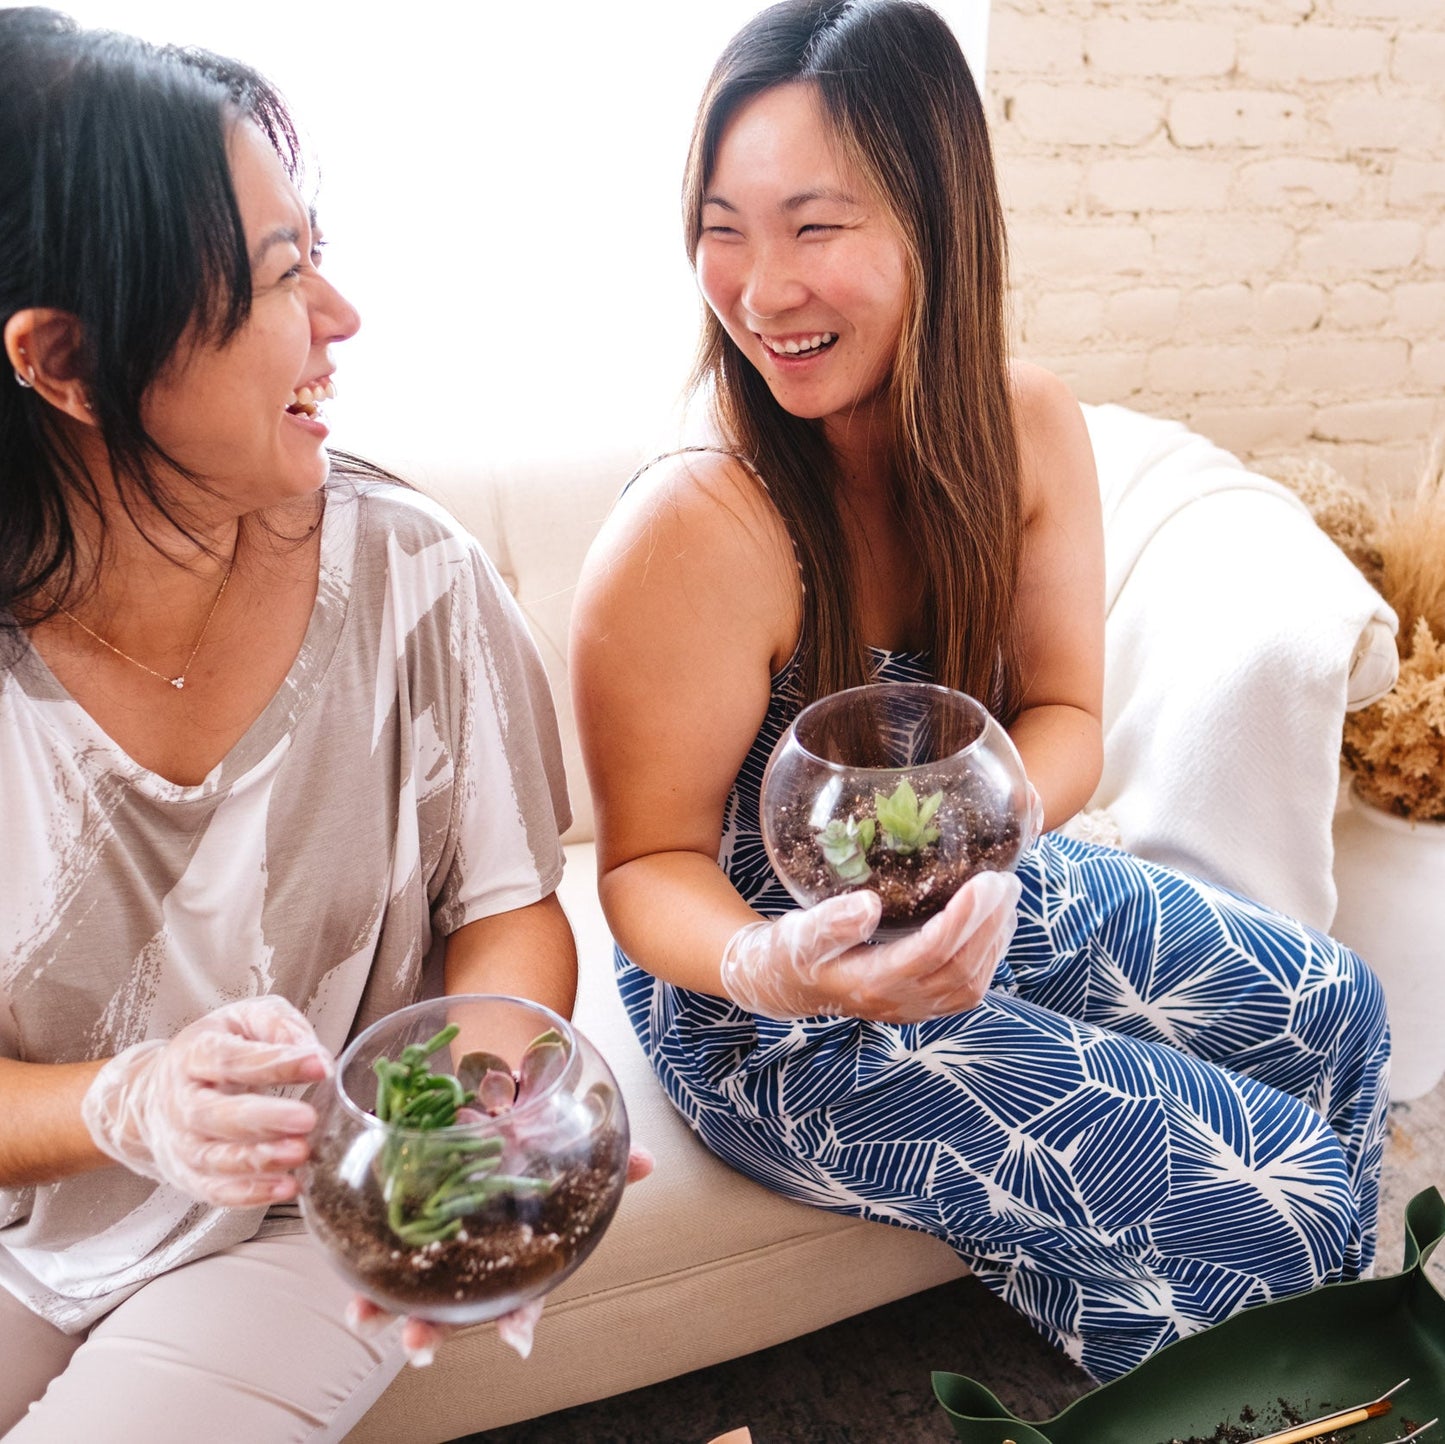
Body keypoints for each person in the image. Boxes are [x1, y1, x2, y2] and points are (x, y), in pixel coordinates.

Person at [570, 0, 1390, 1384]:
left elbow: (1065, 715)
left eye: (813, 227)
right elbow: (644, 863)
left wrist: (978, 837)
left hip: (975, 875)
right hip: (768, 1008)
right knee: (1287, 1193)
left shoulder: (1023, 425)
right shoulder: (695, 528)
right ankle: (1231, 1364)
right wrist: (781, 966)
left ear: (936, 221)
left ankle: (1254, 1363)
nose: (759, 288)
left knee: (1337, 1012)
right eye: (723, 226)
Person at [0, 11, 647, 1439]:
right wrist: (131, 1106)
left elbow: (509, 913)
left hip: (311, 1217)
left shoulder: (408, 573)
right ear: (60, 358)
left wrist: (474, 1118)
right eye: (283, 275)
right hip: (41, 1230)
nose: (340, 317)